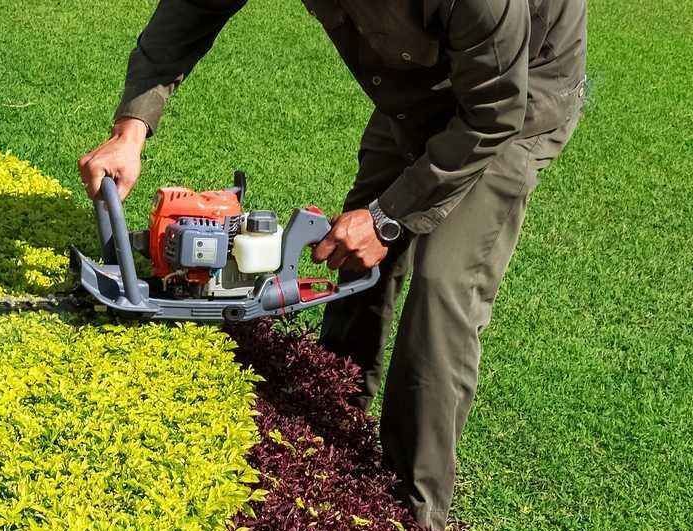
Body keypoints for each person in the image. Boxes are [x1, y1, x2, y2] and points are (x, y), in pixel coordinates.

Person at [78, 0, 586, 528]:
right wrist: (131, 128)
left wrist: (387, 218)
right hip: (416, 90)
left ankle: (412, 510)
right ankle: (332, 419)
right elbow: (190, 11)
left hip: (517, 96)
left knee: (442, 288)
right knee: (352, 255)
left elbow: (494, 110)